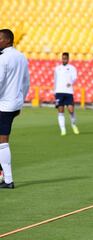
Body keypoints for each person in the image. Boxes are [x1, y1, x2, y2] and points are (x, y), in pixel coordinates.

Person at [0, 29, 30, 189]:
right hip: (14, 104)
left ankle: (8, 180)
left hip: (3, 105)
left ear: (7, 40)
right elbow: (26, 82)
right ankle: (4, 174)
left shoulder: (3, 58)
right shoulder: (21, 56)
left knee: (2, 141)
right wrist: (21, 102)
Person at [54, 52, 79, 136]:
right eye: (63, 58)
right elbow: (55, 80)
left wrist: (70, 82)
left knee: (71, 110)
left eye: (65, 58)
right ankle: (63, 129)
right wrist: (55, 91)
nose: (64, 60)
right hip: (59, 92)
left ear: (68, 59)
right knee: (61, 111)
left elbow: (75, 78)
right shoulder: (57, 69)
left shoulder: (72, 68)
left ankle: (73, 124)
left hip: (68, 91)